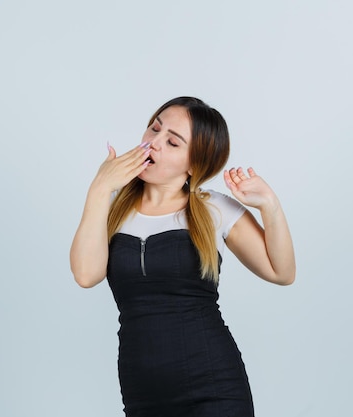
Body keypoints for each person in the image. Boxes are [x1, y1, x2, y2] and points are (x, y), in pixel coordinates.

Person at [70, 96, 295, 417]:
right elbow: (85, 275)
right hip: (142, 393)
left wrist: (269, 205)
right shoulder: (111, 207)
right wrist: (99, 188)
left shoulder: (213, 207)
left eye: (172, 142)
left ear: (194, 163)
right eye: (154, 129)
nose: (153, 143)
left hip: (214, 387)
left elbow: (281, 272)